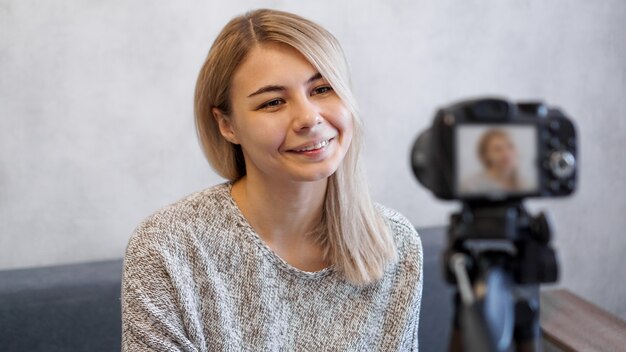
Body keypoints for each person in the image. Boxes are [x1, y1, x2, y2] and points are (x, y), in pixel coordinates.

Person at [122, 9, 422, 351]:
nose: (309, 118)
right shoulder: (166, 247)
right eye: (273, 102)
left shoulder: (394, 243)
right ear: (227, 125)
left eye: (323, 88)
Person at [460, 129, 530, 195]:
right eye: (498, 149)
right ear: (486, 156)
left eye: (510, 146)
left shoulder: (526, 184)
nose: (506, 154)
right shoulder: (471, 186)